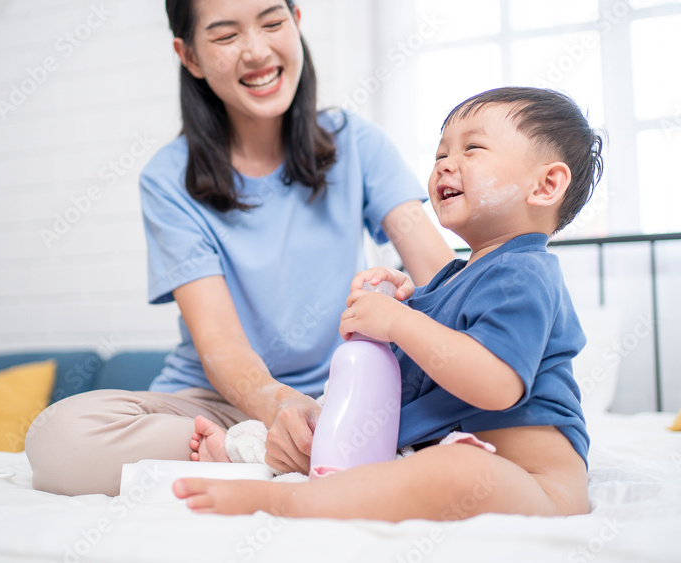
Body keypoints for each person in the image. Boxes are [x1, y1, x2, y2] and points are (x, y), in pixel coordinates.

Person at [23, 0, 453, 496]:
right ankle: (256, 450)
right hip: (220, 405)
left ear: (296, 21)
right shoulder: (168, 178)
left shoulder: (357, 144)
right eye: (226, 36)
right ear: (190, 57)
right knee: (61, 440)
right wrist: (282, 409)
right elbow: (220, 343)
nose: (256, 52)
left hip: (347, 392)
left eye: (272, 23)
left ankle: (282, 453)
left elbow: (440, 276)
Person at [173, 86, 605, 521]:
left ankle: (287, 502)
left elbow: (496, 384)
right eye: (440, 154)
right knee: (334, 431)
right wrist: (400, 302)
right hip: (437, 450)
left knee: (457, 469)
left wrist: (398, 322)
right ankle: (249, 454)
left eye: (472, 148)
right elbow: (423, 366)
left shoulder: (524, 272)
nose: (445, 164)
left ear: (546, 185)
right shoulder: (458, 279)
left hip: (531, 483)